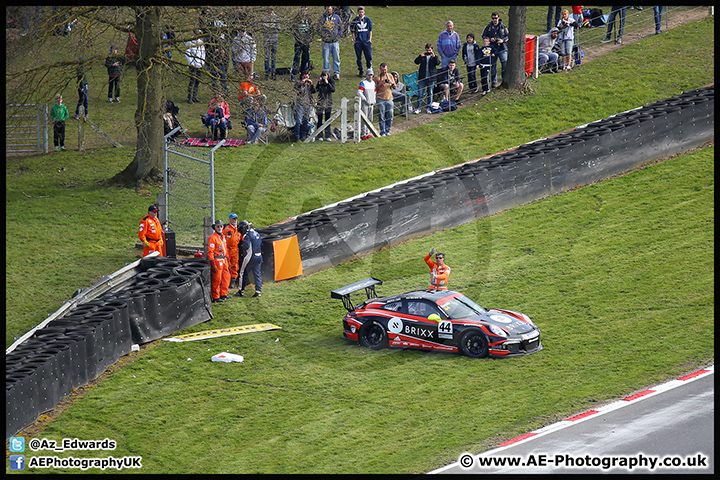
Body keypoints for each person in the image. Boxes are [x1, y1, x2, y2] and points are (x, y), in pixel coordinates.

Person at [235, 220, 263, 298]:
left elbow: (246, 246)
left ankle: (241, 290)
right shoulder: (257, 233)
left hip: (251, 256)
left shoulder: (247, 235)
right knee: (257, 274)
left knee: (242, 273)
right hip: (259, 255)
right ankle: (258, 290)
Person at [482, 12, 509, 88]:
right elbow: (483, 36)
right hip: (492, 49)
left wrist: (502, 40)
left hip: (502, 48)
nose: (494, 20)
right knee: (493, 65)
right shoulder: (488, 27)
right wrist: (490, 39)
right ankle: (494, 82)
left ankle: (504, 79)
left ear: (498, 18)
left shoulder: (503, 27)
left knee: (504, 63)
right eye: (493, 18)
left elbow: (508, 36)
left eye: (496, 18)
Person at [208, 219, 231, 303]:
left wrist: (228, 261)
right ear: (215, 227)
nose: (220, 228)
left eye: (221, 226)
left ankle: (223, 294)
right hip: (217, 260)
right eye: (218, 227)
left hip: (224, 259)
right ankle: (216, 297)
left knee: (226, 277)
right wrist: (212, 263)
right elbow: (210, 252)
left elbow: (226, 250)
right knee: (217, 279)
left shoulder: (223, 237)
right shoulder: (213, 238)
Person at [414, 43, 440, 114]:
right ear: (425, 50)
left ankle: (429, 107)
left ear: (432, 50)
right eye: (427, 50)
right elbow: (416, 62)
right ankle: (418, 108)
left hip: (431, 78)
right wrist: (420, 56)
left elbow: (438, 63)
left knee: (430, 93)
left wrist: (434, 56)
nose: (428, 51)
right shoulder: (422, 57)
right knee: (420, 93)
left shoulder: (434, 57)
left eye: (430, 50)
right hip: (422, 78)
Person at [318, 6, 343, 80]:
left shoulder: (336, 17)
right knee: (326, 58)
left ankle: (336, 72)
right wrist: (323, 35)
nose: (329, 11)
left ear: (332, 9)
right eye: (327, 9)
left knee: (336, 58)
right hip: (326, 42)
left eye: (330, 9)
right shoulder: (322, 18)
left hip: (335, 42)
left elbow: (341, 27)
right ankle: (326, 73)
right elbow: (318, 28)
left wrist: (338, 35)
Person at [291, 6, 314, 81]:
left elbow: (312, 30)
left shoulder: (309, 20)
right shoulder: (296, 19)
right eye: (303, 10)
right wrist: (297, 38)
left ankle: (303, 74)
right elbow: (293, 29)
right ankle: (294, 74)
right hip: (298, 41)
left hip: (306, 42)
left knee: (305, 58)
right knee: (296, 58)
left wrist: (310, 40)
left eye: (306, 10)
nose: (304, 12)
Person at [373, 62, 395, 137]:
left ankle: (387, 130)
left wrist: (392, 83)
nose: (384, 71)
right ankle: (382, 132)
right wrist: (381, 83)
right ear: (380, 69)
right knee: (381, 116)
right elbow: (375, 88)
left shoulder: (390, 76)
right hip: (381, 99)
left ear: (387, 69)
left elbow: (395, 87)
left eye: (385, 70)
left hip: (389, 99)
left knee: (390, 115)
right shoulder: (376, 77)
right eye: (382, 70)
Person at [293, 70, 316, 141]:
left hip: (307, 103)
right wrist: (301, 83)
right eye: (305, 75)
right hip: (300, 103)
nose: (306, 76)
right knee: (299, 120)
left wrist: (312, 84)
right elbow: (294, 89)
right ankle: (297, 136)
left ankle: (303, 135)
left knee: (306, 120)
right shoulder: (299, 83)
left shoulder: (309, 84)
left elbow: (314, 91)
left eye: (307, 75)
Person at [351, 6, 373, 78]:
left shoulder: (368, 20)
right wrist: (354, 39)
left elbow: (370, 31)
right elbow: (353, 31)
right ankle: (360, 70)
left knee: (368, 57)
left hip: (366, 42)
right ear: (358, 12)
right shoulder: (355, 21)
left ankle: (369, 70)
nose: (361, 13)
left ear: (364, 12)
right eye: (360, 12)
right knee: (359, 57)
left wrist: (370, 40)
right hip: (358, 42)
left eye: (362, 12)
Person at [223, 213, 243, 289]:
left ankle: (233, 281)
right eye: (233, 218)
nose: (235, 220)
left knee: (235, 265)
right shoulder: (226, 229)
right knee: (227, 266)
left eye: (236, 218)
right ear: (230, 219)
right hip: (227, 249)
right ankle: (226, 282)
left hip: (235, 249)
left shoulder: (238, 229)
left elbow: (240, 238)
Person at [185, 30, 205, 104]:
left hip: (199, 64)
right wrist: (191, 63)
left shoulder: (201, 43)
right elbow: (187, 53)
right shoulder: (189, 43)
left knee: (197, 81)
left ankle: (194, 96)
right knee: (192, 81)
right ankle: (189, 97)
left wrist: (202, 62)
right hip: (193, 64)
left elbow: (203, 53)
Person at [315, 70, 336, 141]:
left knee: (328, 119)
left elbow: (333, 90)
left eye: (326, 75)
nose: (324, 77)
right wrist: (318, 83)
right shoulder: (320, 83)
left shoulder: (331, 81)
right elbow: (316, 90)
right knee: (320, 119)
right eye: (323, 76)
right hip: (320, 101)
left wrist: (327, 83)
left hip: (328, 101)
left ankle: (328, 135)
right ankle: (319, 135)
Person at [357, 67, 376, 140]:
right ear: (366, 75)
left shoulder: (373, 83)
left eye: (371, 75)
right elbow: (359, 92)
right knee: (364, 118)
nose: (370, 76)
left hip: (371, 103)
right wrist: (365, 99)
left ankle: (368, 133)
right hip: (365, 103)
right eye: (369, 75)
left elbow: (374, 92)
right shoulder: (363, 82)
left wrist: (374, 100)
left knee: (370, 118)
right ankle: (363, 134)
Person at [262, 7, 281, 79]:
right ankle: (267, 73)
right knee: (266, 57)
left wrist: (269, 27)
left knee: (274, 57)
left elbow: (278, 28)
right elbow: (263, 27)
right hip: (266, 39)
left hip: (274, 39)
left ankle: (273, 73)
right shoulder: (264, 17)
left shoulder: (276, 18)